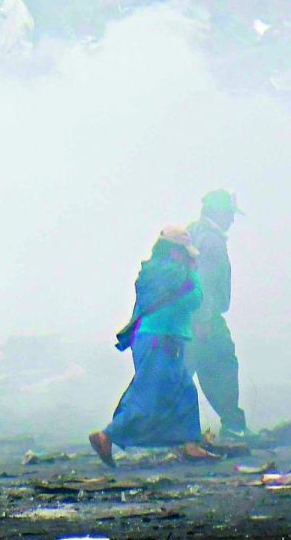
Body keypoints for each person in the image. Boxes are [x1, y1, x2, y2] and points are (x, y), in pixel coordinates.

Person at [90, 227, 212, 467]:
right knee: (148, 396)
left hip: (156, 339)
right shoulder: (174, 274)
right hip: (161, 340)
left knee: (184, 389)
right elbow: (194, 298)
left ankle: (190, 443)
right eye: (184, 253)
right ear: (173, 251)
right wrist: (193, 272)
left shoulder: (155, 271)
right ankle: (108, 435)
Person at [187, 190, 246, 437]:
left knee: (185, 371)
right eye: (230, 214)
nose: (232, 219)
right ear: (218, 212)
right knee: (223, 364)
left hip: (188, 316)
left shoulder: (193, 231)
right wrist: (204, 319)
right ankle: (233, 425)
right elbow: (205, 282)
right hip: (204, 317)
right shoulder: (212, 241)